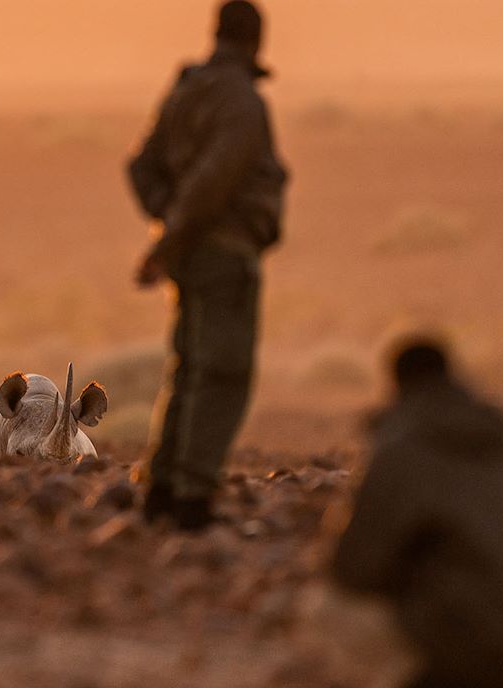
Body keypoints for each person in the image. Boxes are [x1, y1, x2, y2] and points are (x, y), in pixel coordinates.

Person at [330, 339, 503, 688]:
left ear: (396, 385)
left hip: (478, 644)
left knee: (329, 609)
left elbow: (354, 569)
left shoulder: (405, 447)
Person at [127, 0, 288, 531]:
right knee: (220, 373)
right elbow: (215, 180)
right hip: (222, 254)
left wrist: (168, 226)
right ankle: (190, 500)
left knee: (189, 370)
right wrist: (173, 235)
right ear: (256, 41)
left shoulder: (186, 91)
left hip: (193, 255)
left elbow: (142, 166)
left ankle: (163, 492)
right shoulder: (241, 101)